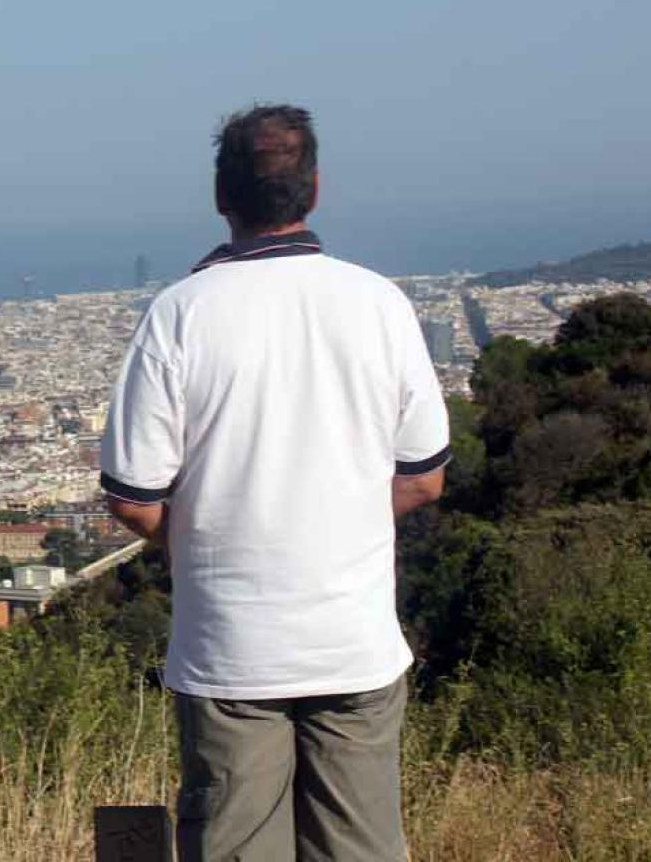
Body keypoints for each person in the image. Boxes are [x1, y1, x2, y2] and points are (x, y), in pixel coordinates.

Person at [100, 106, 449, 861]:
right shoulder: (379, 303)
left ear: (221, 196)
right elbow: (424, 480)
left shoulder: (180, 314)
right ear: (315, 190)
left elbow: (134, 498)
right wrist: (340, 521)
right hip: (353, 639)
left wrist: (205, 538)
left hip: (233, 645)